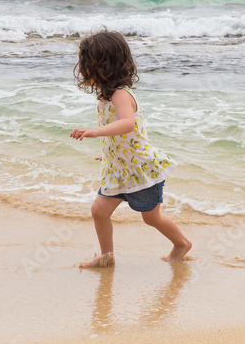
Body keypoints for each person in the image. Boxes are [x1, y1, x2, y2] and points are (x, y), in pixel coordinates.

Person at [70, 30, 192, 267]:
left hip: (139, 169)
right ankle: (107, 257)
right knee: (99, 210)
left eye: (86, 64)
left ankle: (181, 244)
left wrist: (94, 131)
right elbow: (119, 134)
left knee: (151, 218)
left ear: (104, 66)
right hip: (118, 169)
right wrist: (109, 154)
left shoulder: (120, 94)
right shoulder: (105, 98)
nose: (82, 70)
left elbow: (127, 124)